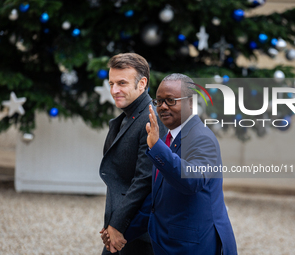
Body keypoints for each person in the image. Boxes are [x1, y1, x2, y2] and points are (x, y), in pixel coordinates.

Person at [115, 73, 238, 254]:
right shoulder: (167, 139)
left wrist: (157, 147)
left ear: (190, 102)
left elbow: (192, 181)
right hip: (168, 244)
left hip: (195, 246)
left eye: (171, 101)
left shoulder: (202, 138)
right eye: (159, 101)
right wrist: (121, 231)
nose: (163, 107)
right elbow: (156, 201)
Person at [98, 53, 167, 255]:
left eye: (121, 83)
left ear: (142, 83)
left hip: (139, 232)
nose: (114, 90)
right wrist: (111, 224)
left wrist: (118, 224)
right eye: (111, 83)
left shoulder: (151, 118)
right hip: (120, 227)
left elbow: (145, 179)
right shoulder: (128, 117)